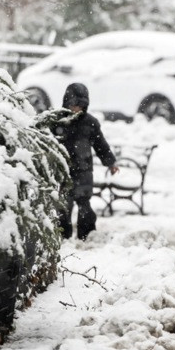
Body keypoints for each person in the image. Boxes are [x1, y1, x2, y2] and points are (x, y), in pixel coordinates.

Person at [51, 82, 119, 240]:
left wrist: (111, 162)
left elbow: (101, 145)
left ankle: (86, 236)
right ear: (66, 103)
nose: (76, 109)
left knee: (84, 206)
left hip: (84, 171)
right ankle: (62, 236)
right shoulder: (56, 121)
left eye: (81, 105)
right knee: (63, 206)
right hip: (63, 171)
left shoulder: (90, 123)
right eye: (73, 105)